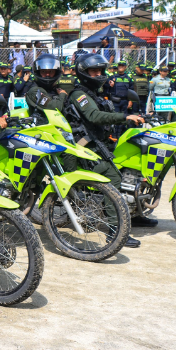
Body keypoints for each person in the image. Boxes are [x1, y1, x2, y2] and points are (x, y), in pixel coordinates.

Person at [65, 53, 146, 246]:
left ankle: (131, 218)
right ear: (84, 73)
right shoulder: (79, 94)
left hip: (99, 145)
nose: (99, 74)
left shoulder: (95, 93)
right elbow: (93, 116)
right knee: (113, 180)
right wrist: (123, 118)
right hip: (85, 148)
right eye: (94, 71)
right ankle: (114, 232)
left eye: (101, 70)